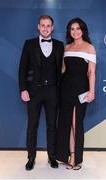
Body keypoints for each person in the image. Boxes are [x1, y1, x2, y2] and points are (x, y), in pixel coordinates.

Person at [19, 15, 64, 170]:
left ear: (52, 28)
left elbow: (62, 70)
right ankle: (31, 157)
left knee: (52, 126)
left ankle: (52, 156)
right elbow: (22, 69)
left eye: (48, 25)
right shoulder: (29, 44)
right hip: (34, 92)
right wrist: (23, 89)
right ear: (38, 27)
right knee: (32, 126)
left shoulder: (59, 45)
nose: (45, 28)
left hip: (53, 91)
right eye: (43, 25)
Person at [55, 17, 96, 170]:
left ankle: (75, 157)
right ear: (69, 31)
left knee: (75, 123)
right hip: (65, 89)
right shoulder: (67, 47)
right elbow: (63, 69)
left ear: (83, 30)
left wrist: (92, 91)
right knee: (65, 122)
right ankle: (67, 155)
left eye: (78, 28)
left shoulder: (89, 48)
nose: (75, 31)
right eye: (72, 29)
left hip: (81, 89)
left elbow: (91, 72)